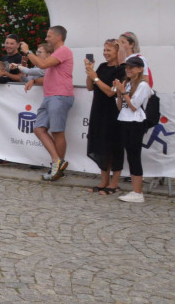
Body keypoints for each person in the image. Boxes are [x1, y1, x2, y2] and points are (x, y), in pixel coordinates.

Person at [19, 26, 74, 181]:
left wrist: (28, 52)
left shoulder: (64, 51)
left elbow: (42, 65)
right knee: (38, 129)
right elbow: (49, 75)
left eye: (49, 36)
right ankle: (57, 162)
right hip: (50, 96)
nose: (47, 38)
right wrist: (35, 80)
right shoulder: (57, 53)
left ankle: (57, 169)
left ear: (58, 36)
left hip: (60, 96)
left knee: (57, 132)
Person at [83, 39, 125, 194]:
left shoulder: (122, 70)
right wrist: (89, 72)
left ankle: (114, 183)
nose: (105, 53)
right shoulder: (101, 67)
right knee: (100, 144)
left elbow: (111, 92)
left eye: (109, 50)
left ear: (117, 52)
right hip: (98, 109)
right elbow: (89, 87)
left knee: (114, 145)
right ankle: (104, 180)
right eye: (104, 50)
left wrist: (95, 77)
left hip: (113, 111)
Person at [114, 57, 151, 204]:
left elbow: (134, 106)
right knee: (129, 156)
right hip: (124, 120)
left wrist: (123, 93)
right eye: (127, 67)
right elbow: (120, 107)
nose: (128, 70)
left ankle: (137, 192)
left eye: (132, 67)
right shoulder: (128, 84)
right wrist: (119, 93)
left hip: (136, 122)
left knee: (134, 156)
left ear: (140, 69)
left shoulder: (143, 85)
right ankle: (135, 190)